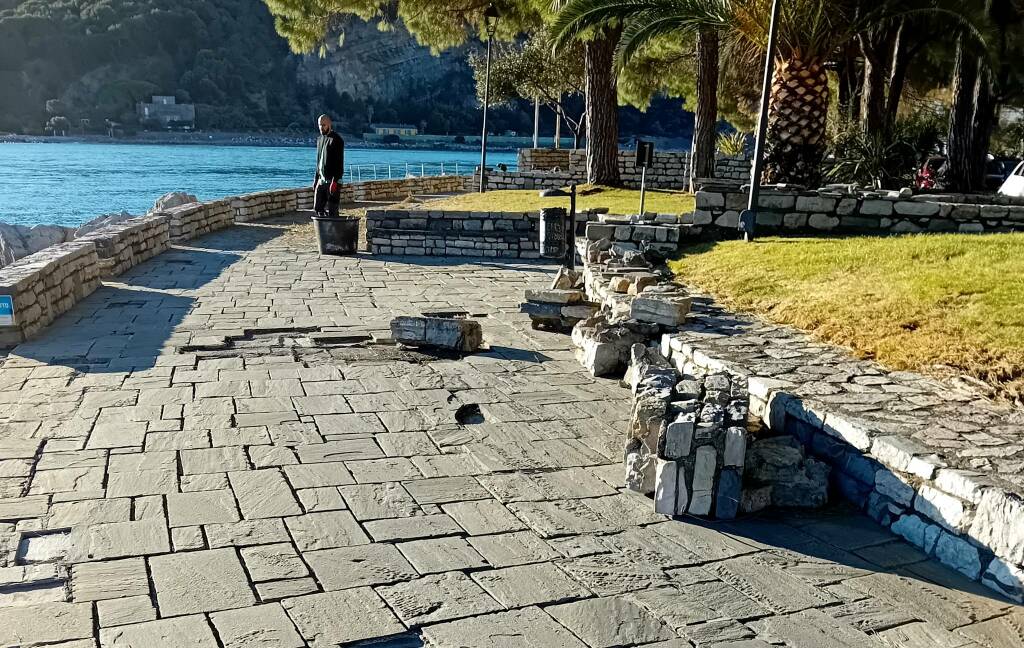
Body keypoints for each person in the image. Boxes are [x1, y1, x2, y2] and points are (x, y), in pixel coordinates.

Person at [313, 114, 344, 218]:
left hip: (333, 181)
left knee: (333, 210)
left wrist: (335, 182)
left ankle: (335, 231)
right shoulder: (319, 140)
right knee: (317, 207)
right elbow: (318, 162)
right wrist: (315, 179)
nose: (321, 127)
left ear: (329, 124)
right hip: (321, 181)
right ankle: (323, 229)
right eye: (320, 125)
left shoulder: (337, 140)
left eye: (324, 125)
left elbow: (339, 163)